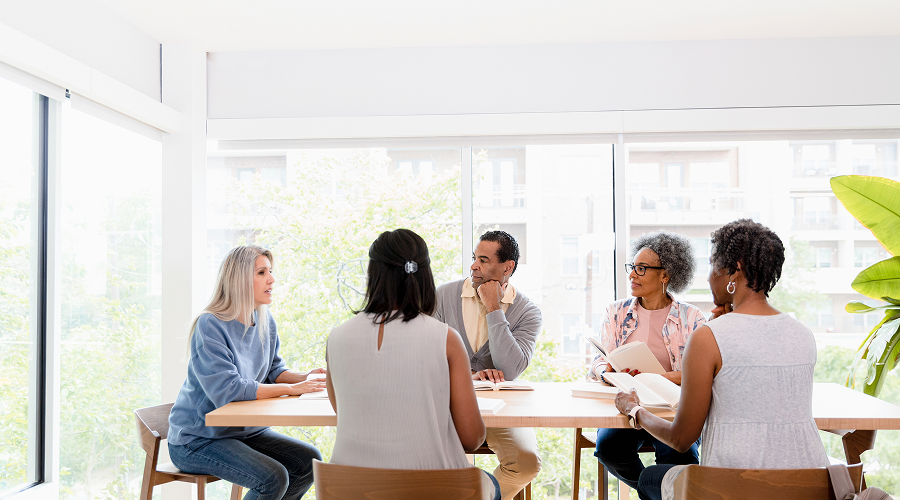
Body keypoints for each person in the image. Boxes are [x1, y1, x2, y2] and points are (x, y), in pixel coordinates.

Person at [616, 219, 828, 500]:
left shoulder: (708, 338)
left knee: (649, 478)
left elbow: (681, 440)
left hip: (731, 487)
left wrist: (635, 411)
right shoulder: (803, 334)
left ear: (733, 271)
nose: (708, 277)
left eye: (712, 265)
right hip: (808, 484)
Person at [326, 228, 500, 500]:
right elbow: (471, 438)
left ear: (372, 274)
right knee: (491, 483)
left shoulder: (336, 338)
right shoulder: (445, 339)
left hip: (349, 489)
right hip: (432, 489)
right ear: (424, 276)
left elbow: (346, 414)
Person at [167, 245, 325, 500]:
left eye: (270, 271)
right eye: (262, 272)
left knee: (308, 461)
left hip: (246, 432)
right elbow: (229, 392)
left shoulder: (264, 319)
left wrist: (306, 378)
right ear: (239, 279)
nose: (272, 279)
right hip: (197, 440)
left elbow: (274, 370)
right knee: (273, 477)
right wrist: (292, 389)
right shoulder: (210, 325)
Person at [588, 231, 707, 491]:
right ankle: (654, 493)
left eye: (641, 269)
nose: (632, 275)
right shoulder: (616, 312)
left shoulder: (692, 317)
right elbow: (598, 361)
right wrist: (606, 371)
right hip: (627, 404)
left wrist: (655, 379)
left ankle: (656, 491)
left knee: (680, 456)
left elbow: (701, 373)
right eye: (633, 267)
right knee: (609, 449)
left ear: (665, 275)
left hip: (672, 407)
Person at [434, 230, 542, 500]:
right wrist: (469, 375)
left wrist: (494, 308)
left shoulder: (528, 312)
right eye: (474, 258)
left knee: (526, 463)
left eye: (483, 260)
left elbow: (511, 369)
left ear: (507, 267)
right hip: (442, 406)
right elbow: (422, 359)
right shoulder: (443, 296)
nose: (473, 266)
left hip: (501, 411)